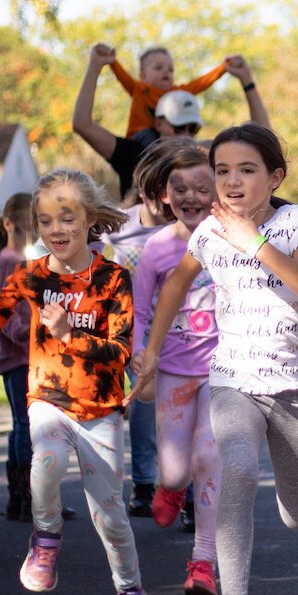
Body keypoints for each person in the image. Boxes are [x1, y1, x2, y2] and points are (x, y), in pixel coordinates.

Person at [131, 124, 298, 595]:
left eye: (245, 170)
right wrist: (153, 351)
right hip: (232, 380)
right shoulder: (209, 231)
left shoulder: (295, 223)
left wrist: (259, 245)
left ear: (275, 177)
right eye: (222, 170)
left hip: (293, 387)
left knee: (294, 510)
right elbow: (177, 282)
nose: (230, 182)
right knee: (239, 471)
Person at [0, 169, 154, 595]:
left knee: (110, 515)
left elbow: (120, 352)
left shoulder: (113, 280)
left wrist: (70, 334)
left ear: (89, 219)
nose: (56, 230)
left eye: (66, 218)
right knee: (43, 462)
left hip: (101, 411)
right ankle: (45, 539)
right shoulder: (33, 275)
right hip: (47, 399)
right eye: (45, 221)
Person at [132, 140, 223, 595]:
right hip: (172, 372)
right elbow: (143, 311)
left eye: (202, 187)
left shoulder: (232, 239)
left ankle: (203, 560)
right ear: (164, 194)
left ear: (219, 190)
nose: (191, 196)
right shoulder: (157, 250)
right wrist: (140, 357)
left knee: (209, 455)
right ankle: (171, 487)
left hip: (223, 370)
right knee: (172, 470)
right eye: (180, 188)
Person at [73, 43, 271, 198]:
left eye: (192, 128)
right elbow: (82, 124)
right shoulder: (137, 154)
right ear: (158, 123)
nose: (185, 135)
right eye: (177, 127)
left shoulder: (205, 155)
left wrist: (247, 80)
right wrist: (95, 65)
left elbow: (262, 141)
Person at [103, 141, 182, 517]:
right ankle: (144, 481)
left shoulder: (183, 229)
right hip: (131, 331)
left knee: (183, 411)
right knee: (142, 405)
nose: (158, 202)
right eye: (152, 193)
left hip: (179, 331)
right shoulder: (121, 224)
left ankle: (187, 492)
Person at [0, 192, 35, 521]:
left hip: (27, 355)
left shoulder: (22, 261)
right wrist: (26, 330)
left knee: (25, 423)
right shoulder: (8, 263)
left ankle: (23, 496)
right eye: (27, 228)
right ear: (9, 225)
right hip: (16, 356)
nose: (32, 235)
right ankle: (27, 495)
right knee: (25, 424)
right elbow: (4, 311)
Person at [108, 46, 230, 142]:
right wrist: (112, 62)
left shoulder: (176, 94)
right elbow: (123, 77)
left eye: (170, 69)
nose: (166, 71)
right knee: (150, 137)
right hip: (140, 136)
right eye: (158, 68)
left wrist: (222, 68)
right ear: (143, 76)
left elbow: (200, 83)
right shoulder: (139, 88)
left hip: (163, 136)